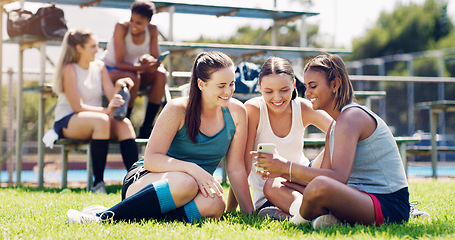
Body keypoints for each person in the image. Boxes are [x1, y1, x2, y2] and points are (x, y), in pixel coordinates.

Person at [67, 51, 254, 224]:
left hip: (191, 190)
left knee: (215, 204)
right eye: (221, 86)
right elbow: (151, 160)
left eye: (231, 84)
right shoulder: (177, 109)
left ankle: (131, 215)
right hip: (147, 181)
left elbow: (236, 168)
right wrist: (192, 169)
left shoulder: (237, 112)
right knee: (185, 182)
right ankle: (104, 217)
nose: (228, 91)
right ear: (201, 84)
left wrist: (249, 214)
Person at [253, 53, 410, 228]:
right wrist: (281, 172)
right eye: (306, 86)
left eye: (313, 86)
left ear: (334, 84)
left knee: (320, 186)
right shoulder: (335, 126)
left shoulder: (352, 117)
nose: (307, 93)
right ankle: (324, 218)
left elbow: (337, 178)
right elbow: (323, 175)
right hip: (356, 196)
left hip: (386, 205)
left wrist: (286, 166)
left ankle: (296, 220)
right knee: (273, 184)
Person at [226, 57, 332, 220]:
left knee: (336, 143)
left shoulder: (302, 107)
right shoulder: (253, 109)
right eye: (269, 91)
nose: (277, 98)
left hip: (302, 182)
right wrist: (232, 209)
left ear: (294, 86)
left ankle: (308, 213)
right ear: (259, 87)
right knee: (273, 182)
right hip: (272, 195)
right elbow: (243, 165)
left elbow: (339, 131)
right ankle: (309, 213)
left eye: (284, 90)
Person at [52, 29, 138, 194]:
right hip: (68, 120)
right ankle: (98, 183)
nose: (97, 50)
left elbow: (112, 96)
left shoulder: (99, 67)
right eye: (92, 46)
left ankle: (136, 182)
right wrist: (106, 111)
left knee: (125, 125)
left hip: (98, 120)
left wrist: (120, 86)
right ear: (79, 48)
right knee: (102, 121)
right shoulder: (69, 69)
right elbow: (77, 107)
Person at [100, 0, 167, 139]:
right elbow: (119, 63)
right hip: (109, 70)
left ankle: (147, 127)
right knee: (133, 77)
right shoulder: (121, 27)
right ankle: (125, 123)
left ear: (148, 21)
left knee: (161, 75)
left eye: (139, 23)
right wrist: (144, 67)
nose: (133, 25)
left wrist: (148, 60)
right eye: (132, 20)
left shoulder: (152, 30)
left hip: (131, 70)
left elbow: (155, 58)